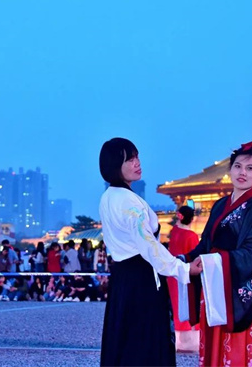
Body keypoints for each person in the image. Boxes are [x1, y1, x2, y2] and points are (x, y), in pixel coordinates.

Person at [98, 137, 202, 366]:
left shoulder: (108, 197)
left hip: (122, 277)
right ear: (115, 165)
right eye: (129, 159)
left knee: (125, 341)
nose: (137, 163)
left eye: (137, 157)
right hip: (141, 278)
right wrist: (184, 270)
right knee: (145, 342)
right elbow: (149, 246)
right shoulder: (129, 202)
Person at [185, 142, 252, 366]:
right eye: (238, 166)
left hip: (237, 288)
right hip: (213, 281)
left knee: (236, 348)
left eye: (250, 168)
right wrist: (184, 261)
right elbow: (206, 243)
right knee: (214, 342)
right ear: (230, 170)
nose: (242, 173)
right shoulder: (219, 205)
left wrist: (215, 261)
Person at [166, 205, 200, 352]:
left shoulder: (174, 232)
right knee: (189, 304)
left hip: (173, 274)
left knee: (176, 305)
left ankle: (177, 340)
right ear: (191, 219)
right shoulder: (192, 236)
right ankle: (190, 342)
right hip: (187, 274)